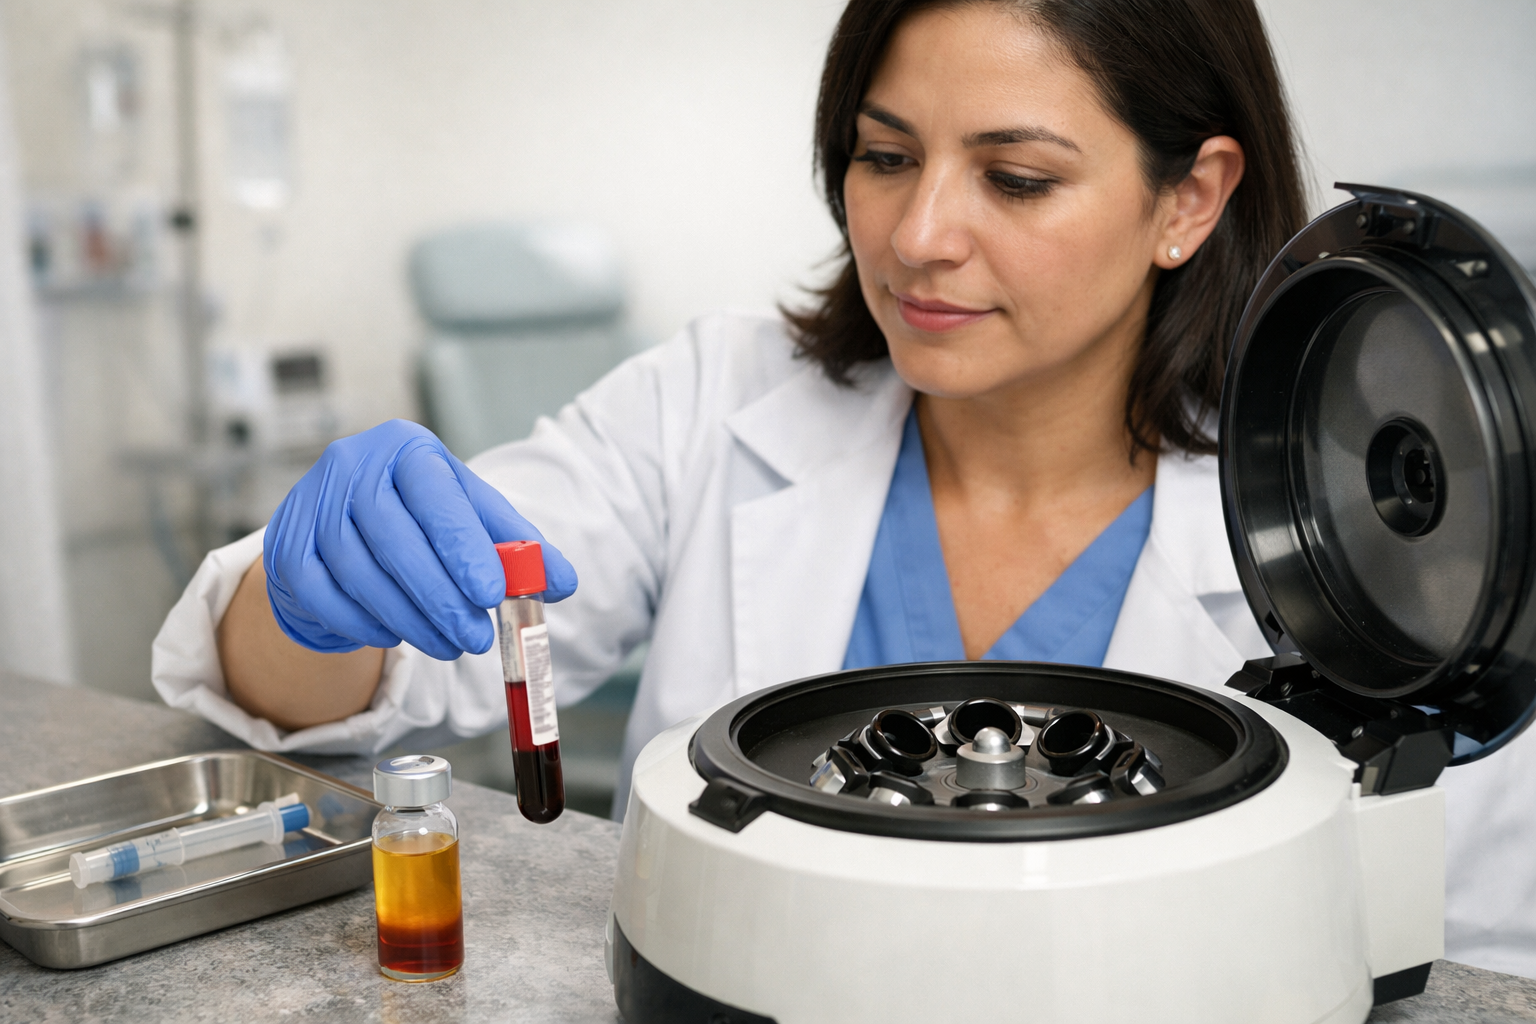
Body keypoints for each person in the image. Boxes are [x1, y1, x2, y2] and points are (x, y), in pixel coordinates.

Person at [151, 0, 1536, 977]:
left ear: (1190, 198)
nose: (919, 235)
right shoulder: (716, 405)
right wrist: (300, 599)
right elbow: (363, 676)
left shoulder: (1378, 568)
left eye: (1016, 176)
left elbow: (1478, 967)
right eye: (884, 156)